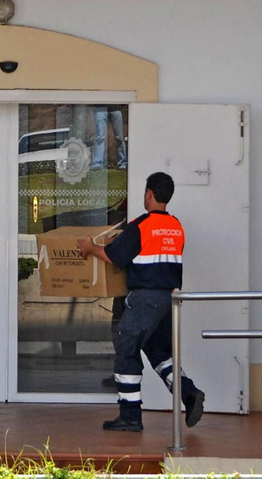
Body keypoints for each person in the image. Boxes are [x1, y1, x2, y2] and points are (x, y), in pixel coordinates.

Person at [78, 171, 204, 432]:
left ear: (148, 194)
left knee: (126, 349)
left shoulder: (140, 225)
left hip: (145, 299)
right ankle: (189, 394)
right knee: (159, 353)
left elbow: (115, 257)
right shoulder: (176, 226)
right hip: (169, 299)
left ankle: (130, 415)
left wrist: (90, 248)